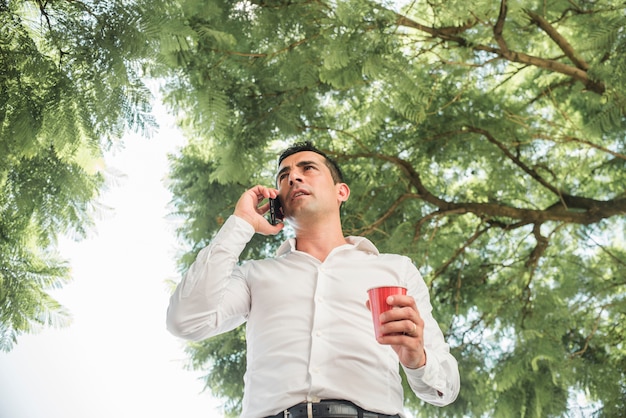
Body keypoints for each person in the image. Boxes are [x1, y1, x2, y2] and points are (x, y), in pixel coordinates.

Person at [166, 142, 460, 418]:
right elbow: (186, 321)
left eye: (307, 168)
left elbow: (445, 385)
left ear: (341, 191)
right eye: (284, 176)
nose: (293, 177)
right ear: (277, 202)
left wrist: (417, 359)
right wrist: (240, 223)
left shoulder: (396, 269)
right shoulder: (255, 275)